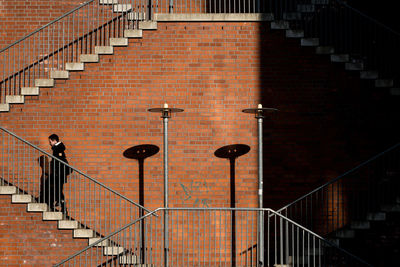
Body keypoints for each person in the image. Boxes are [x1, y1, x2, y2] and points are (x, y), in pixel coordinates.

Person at [48, 134, 71, 214]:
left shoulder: (58, 149)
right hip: (59, 174)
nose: (50, 143)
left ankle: (62, 206)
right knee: (57, 189)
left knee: (58, 189)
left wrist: (55, 168)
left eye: (50, 141)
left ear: (54, 141)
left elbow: (59, 161)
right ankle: (60, 203)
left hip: (59, 174)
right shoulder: (58, 148)